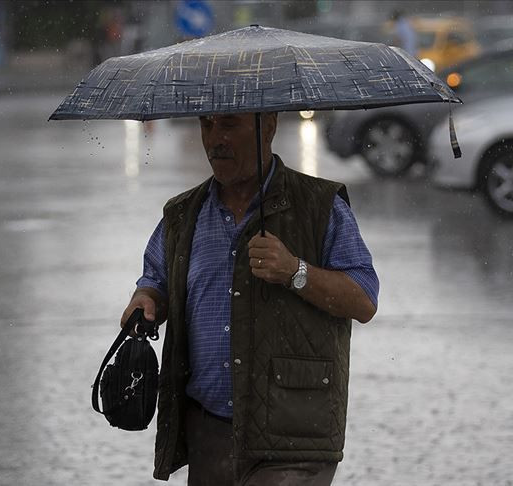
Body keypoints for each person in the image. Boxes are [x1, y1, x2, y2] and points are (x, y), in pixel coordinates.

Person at [121, 112, 379, 485]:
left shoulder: (319, 206)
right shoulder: (182, 214)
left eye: (228, 125)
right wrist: (146, 300)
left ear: (268, 125)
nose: (215, 139)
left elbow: (364, 300)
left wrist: (294, 271)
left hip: (293, 430)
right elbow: (156, 281)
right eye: (206, 125)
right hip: (208, 430)